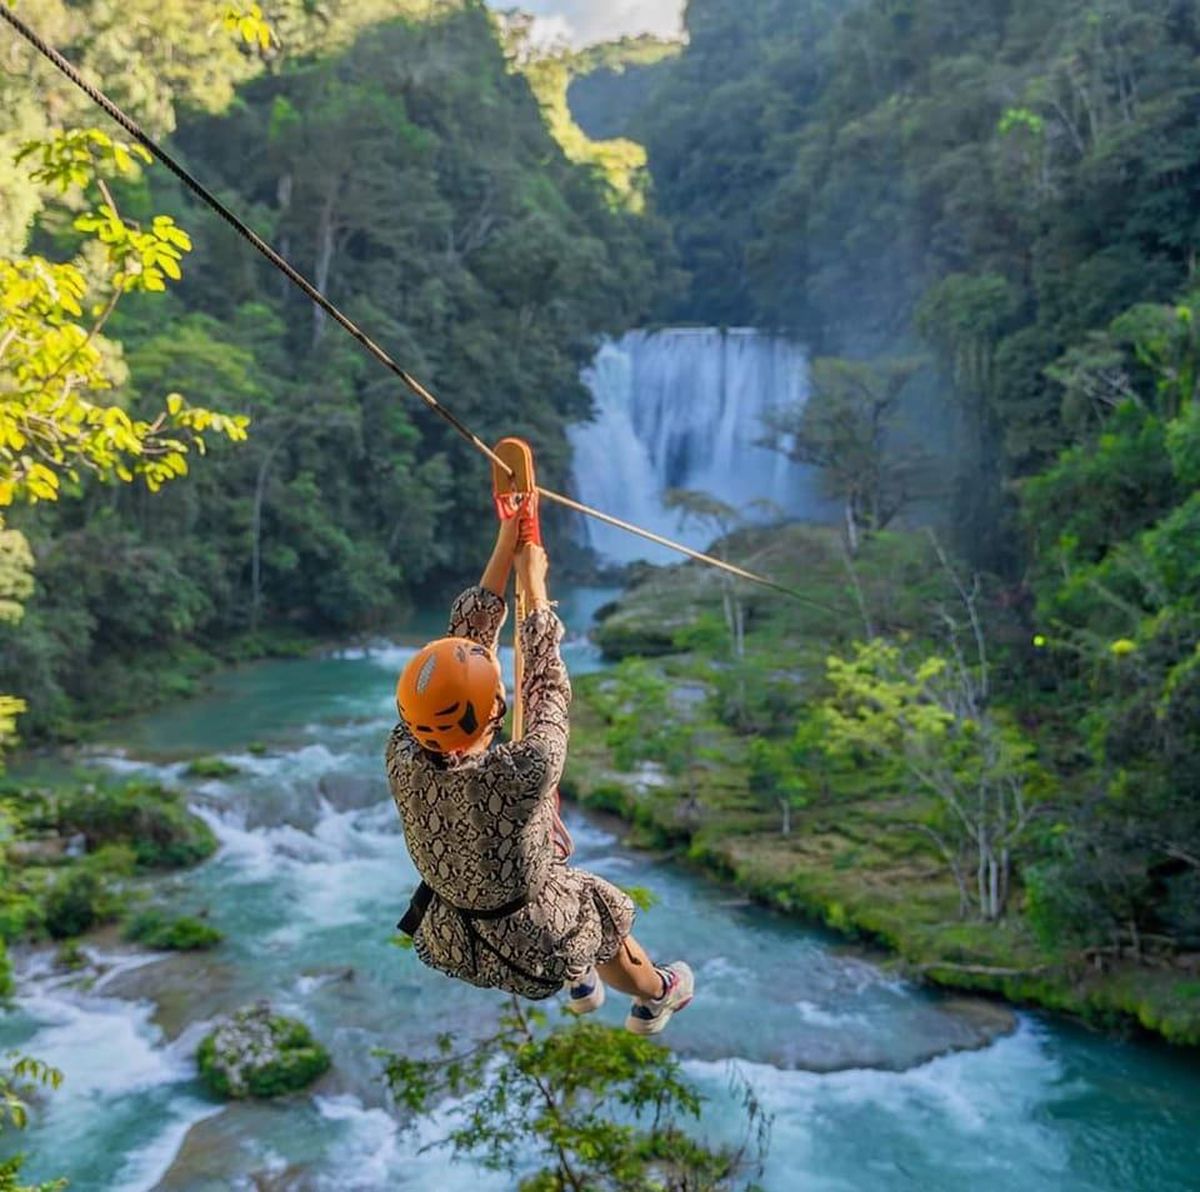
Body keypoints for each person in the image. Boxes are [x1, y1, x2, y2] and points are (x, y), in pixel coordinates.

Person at [385, 502, 693, 1034]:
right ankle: (657, 996)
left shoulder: (402, 754)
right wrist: (535, 583)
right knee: (596, 914)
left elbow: (464, 659)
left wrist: (508, 541)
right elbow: (546, 683)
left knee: (536, 856)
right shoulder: (521, 771)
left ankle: (580, 980)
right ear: (492, 716)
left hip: (456, 927)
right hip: (530, 934)